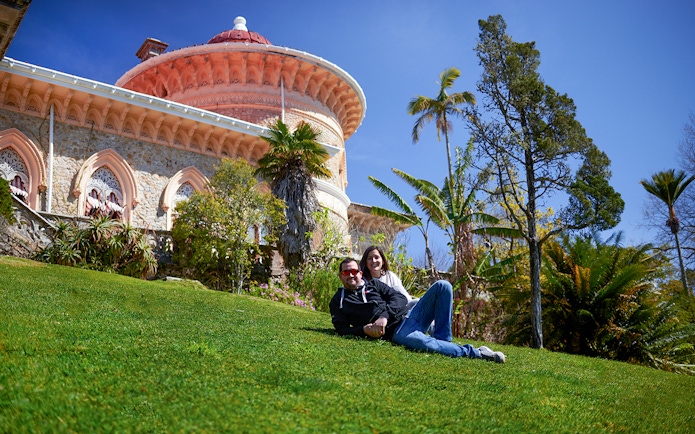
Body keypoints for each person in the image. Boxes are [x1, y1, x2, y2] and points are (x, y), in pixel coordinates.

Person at [329, 257, 505, 363]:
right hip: (398, 331)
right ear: (340, 276)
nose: (350, 275)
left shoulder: (374, 284)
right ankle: (477, 353)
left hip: (411, 315)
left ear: (360, 272)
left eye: (353, 271)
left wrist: (383, 317)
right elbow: (342, 329)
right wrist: (365, 330)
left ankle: (444, 342)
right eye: (346, 272)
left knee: (443, 286)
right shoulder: (339, 301)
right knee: (422, 343)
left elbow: (399, 298)